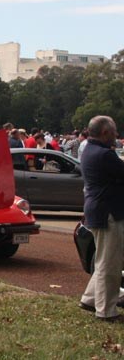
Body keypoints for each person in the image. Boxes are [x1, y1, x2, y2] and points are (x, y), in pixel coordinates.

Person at [79, 116, 124, 321]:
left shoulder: (88, 148)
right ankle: (106, 311)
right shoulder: (105, 155)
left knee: (103, 259)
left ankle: (90, 299)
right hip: (109, 212)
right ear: (105, 133)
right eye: (114, 132)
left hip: (97, 210)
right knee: (110, 263)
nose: (116, 135)